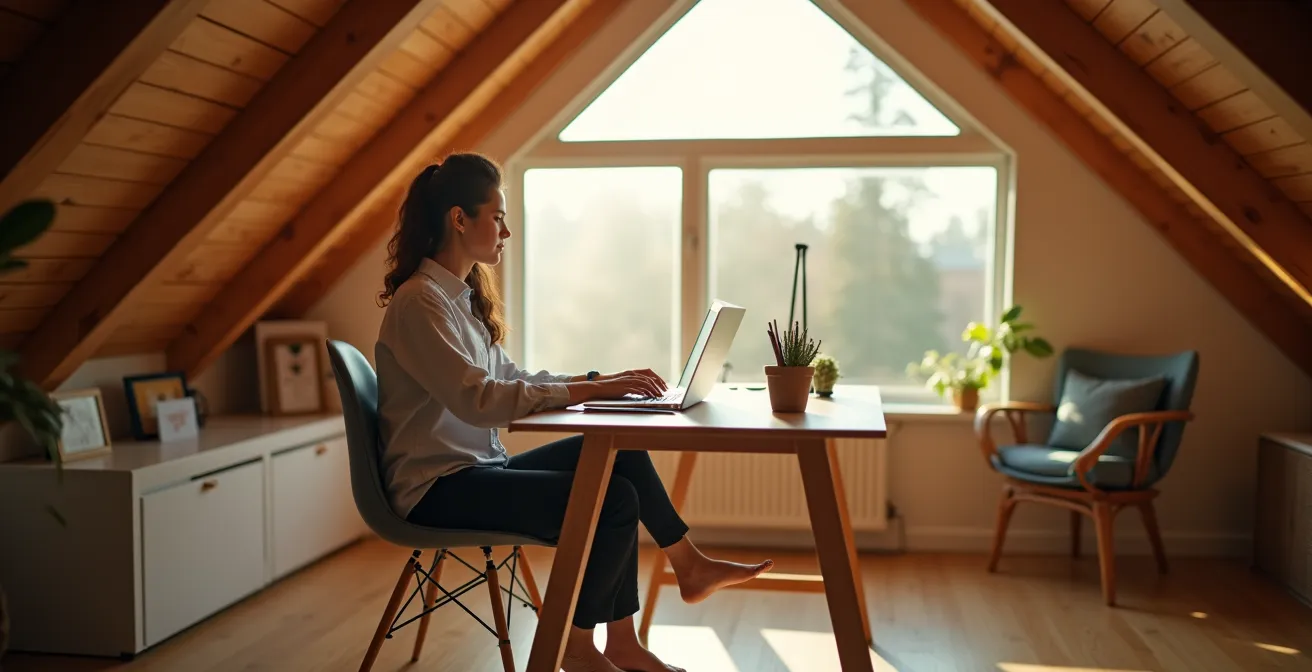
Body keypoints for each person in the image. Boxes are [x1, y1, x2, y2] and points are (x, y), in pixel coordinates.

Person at [373, 152, 773, 672]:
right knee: (612, 500)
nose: (506, 231)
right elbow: (480, 401)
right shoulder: (420, 303)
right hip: (436, 491)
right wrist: (590, 388)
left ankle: (655, 604)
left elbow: (512, 378)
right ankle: (577, 648)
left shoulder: (459, 302)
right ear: (459, 219)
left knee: (620, 455)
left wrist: (597, 385)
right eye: (497, 216)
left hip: (475, 472)